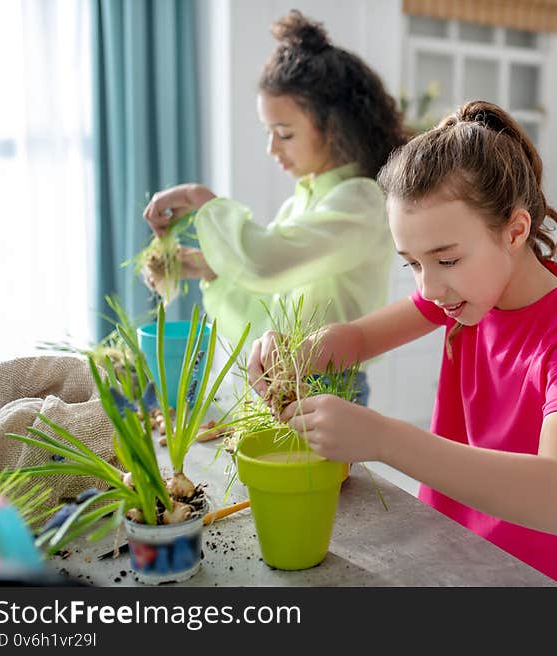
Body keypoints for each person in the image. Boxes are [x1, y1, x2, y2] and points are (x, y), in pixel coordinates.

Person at [247, 100, 557, 587]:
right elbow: (360, 338)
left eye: (445, 260)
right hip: (440, 557)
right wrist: (300, 350)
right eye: (412, 263)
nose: (427, 288)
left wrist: (383, 439)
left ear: (515, 230)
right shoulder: (467, 290)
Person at [142, 10, 407, 404]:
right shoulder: (305, 201)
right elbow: (265, 315)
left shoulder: (361, 203)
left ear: (334, 128)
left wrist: (201, 200)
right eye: (269, 133)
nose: (272, 149)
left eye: (284, 134)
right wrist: (210, 270)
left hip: (328, 385)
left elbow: (262, 262)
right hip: (284, 379)